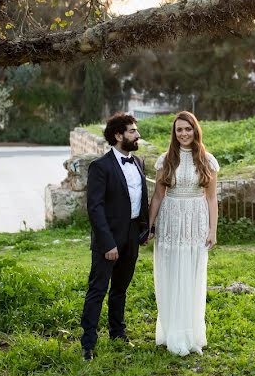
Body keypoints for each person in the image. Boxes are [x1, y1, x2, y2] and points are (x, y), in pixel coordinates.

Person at [148, 111, 219, 356]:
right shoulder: (165, 160)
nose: (184, 133)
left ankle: (191, 333)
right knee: (170, 273)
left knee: (191, 273)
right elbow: (158, 195)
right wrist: (150, 226)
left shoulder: (207, 160)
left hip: (195, 222)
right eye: (179, 130)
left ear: (195, 130)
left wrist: (212, 229)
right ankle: (171, 332)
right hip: (171, 221)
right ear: (174, 133)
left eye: (188, 129)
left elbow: (211, 197)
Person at [80, 113, 149, 361]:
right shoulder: (100, 166)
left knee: (121, 288)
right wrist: (108, 243)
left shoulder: (139, 162)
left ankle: (117, 333)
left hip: (132, 235)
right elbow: (95, 208)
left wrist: (144, 229)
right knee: (98, 290)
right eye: (132, 131)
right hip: (108, 238)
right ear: (118, 136)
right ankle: (88, 343)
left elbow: (142, 198)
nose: (137, 135)